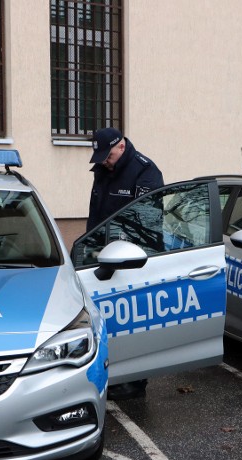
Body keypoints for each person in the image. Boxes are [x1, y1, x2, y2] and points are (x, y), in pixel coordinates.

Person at [87, 127, 165, 400]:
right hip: (103, 259)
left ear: (121, 146)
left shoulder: (146, 173)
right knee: (105, 322)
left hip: (133, 261)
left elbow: (147, 225)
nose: (103, 161)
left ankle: (134, 382)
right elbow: (95, 215)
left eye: (107, 155)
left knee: (134, 319)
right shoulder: (103, 170)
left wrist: (122, 251)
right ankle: (110, 370)